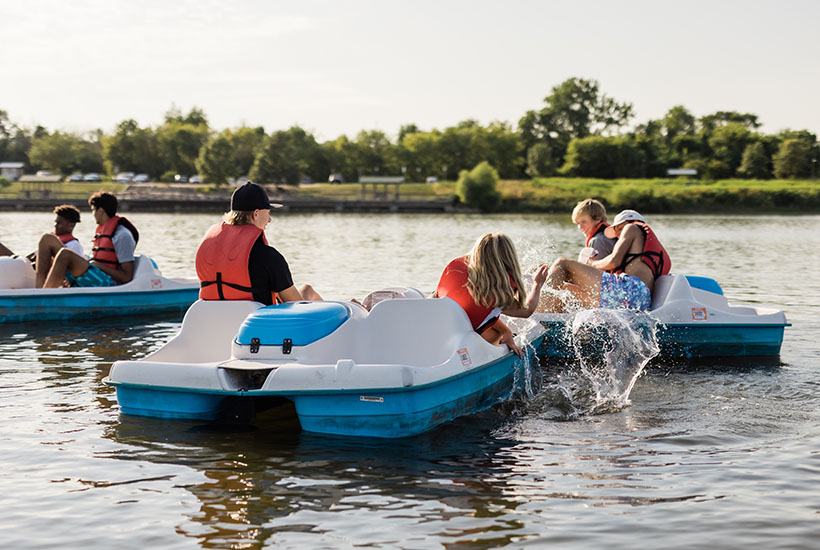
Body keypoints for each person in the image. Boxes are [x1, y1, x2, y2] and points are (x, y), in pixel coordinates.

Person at [196, 181, 322, 305]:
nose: (269, 220)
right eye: (268, 213)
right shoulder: (270, 257)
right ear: (256, 214)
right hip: (259, 323)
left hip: (215, 320)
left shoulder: (211, 253)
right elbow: (296, 306)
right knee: (307, 290)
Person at [435, 233, 549, 357]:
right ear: (509, 259)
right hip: (462, 346)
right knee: (496, 333)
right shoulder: (497, 293)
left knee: (495, 327)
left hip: (439, 331)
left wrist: (507, 331)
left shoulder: (456, 272)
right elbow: (527, 310)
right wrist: (537, 284)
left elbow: (471, 313)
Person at [541, 209, 671, 312]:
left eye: (618, 229)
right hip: (638, 301)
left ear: (625, 224)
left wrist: (592, 263)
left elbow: (614, 261)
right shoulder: (641, 252)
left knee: (562, 263)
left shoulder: (631, 228)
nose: (618, 235)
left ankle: (538, 313)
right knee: (566, 288)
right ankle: (550, 325)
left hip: (631, 291)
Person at [39, 192, 139, 288]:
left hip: (107, 282)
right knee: (47, 239)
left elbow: (126, 277)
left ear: (100, 211)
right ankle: (37, 292)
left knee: (65, 254)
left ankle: (45, 296)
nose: (93, 214)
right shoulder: (103, 231)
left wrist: (98, 265)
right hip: (95, 274)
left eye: (93, 210)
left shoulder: (122, 235)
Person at [0, 204, 83, 261]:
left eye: (59, 223)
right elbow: (29, 258)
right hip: (26, 266)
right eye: (55, 222)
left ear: (71, 225)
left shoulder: (74, 246)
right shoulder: (50, 241)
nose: (55, 225)